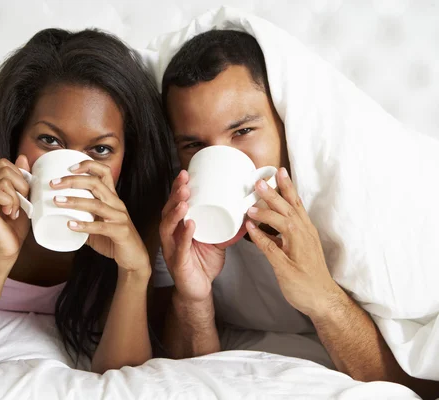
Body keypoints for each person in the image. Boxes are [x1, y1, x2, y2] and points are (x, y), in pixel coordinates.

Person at [156, 29, 439, 399]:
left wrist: (323, 297)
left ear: (285, 122)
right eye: (194, 145)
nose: (223, 157)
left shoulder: (363, 193)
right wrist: (193, 296)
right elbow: (175, 375)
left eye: (243, 131)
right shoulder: (178, 206)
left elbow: (423, 388)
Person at [0, 28, 173, 377]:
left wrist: (135, 271)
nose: (73, 168)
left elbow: (123, 376)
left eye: (101, 149)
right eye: (49, 140)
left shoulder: (136, 201)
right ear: (17, 134)